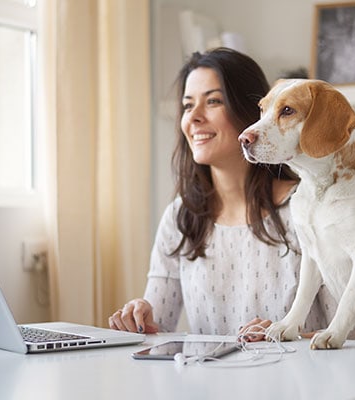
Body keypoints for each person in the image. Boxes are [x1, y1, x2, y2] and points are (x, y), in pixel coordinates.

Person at [108, 47, 336, 339]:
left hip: (299, 382)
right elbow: (157, 327)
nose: (195, 118)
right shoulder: (180, 216)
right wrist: (139, 318)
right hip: (207, 383)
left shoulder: (309, 209)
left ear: (250, 112)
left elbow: (352, 335)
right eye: (188, 105)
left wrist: (284, 333)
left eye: (213, 101)